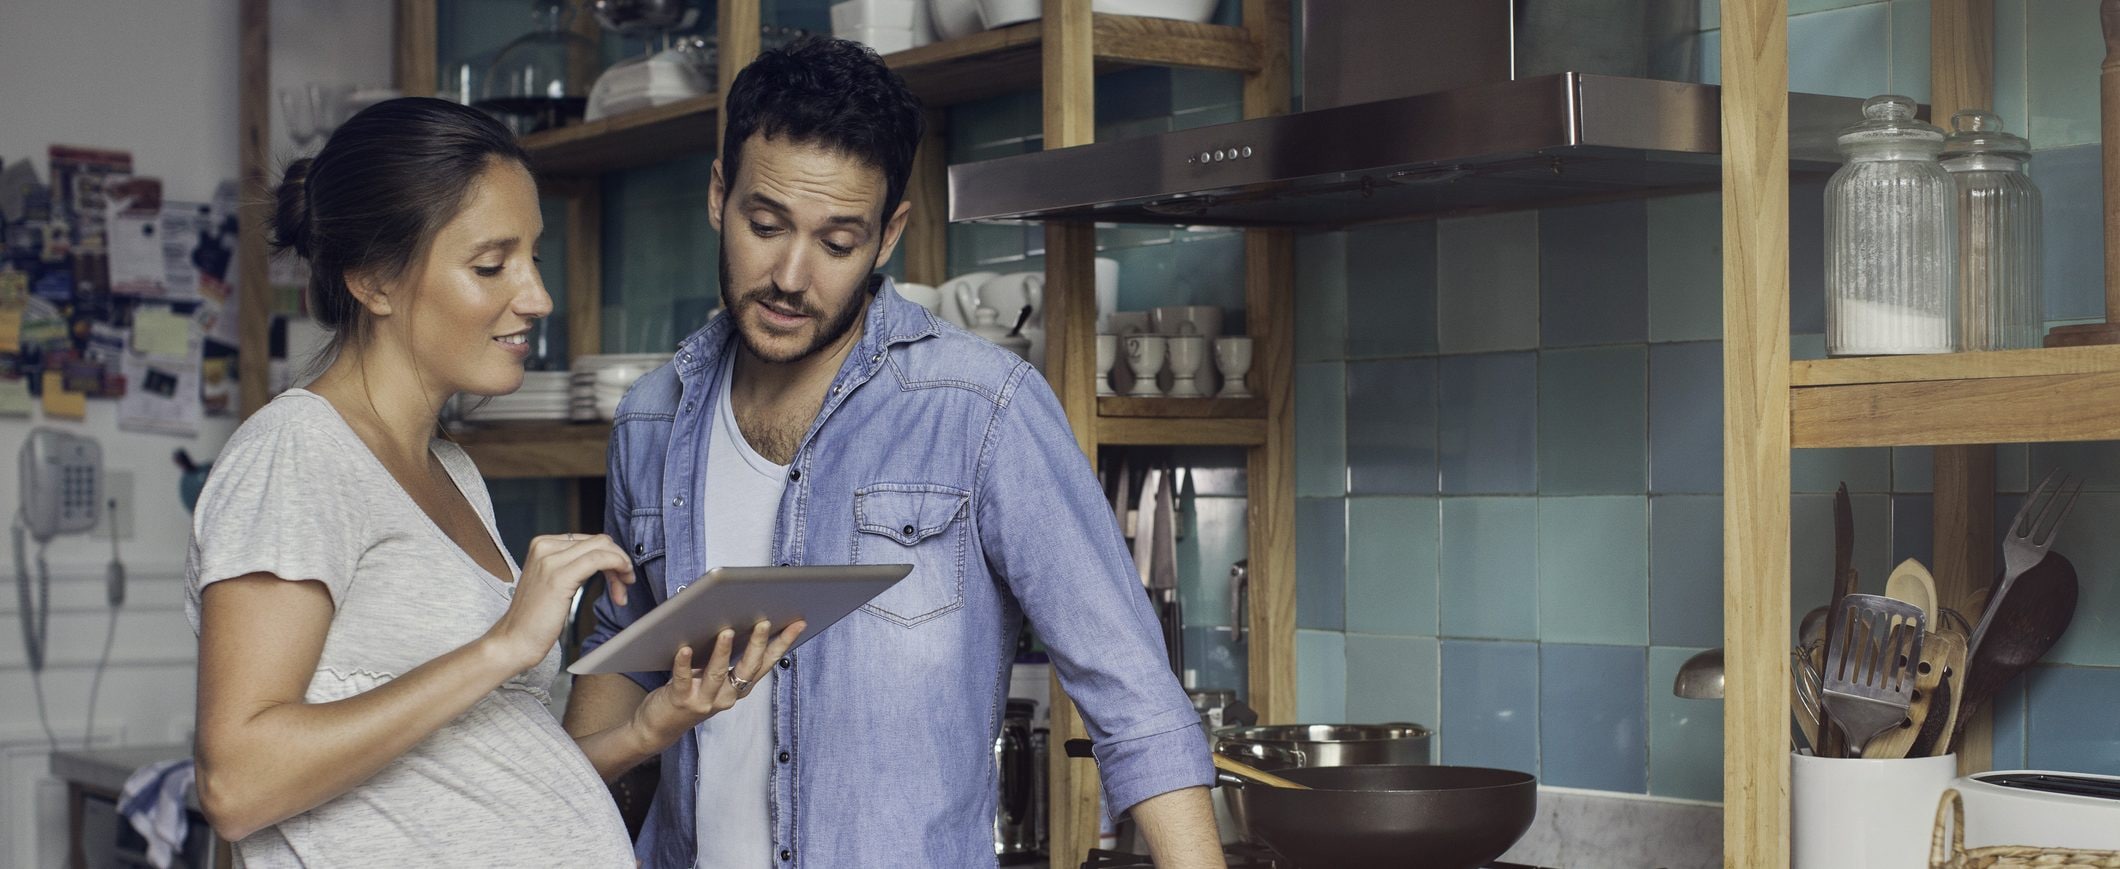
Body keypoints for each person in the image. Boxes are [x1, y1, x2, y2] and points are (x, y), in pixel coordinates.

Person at [563, 38, 1225, 868]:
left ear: (887, 237)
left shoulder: (982, 410)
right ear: (717, 195)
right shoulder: (651, 420)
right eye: (765, 226)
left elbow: (1135, 699)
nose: (791, 276)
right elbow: (622, 655)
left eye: (837, 242)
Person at [185, 97, 799, 866]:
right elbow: (237, 780)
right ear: (375, 279)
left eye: (533, 258)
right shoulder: (297, 452)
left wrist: (647, 728)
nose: (537, 296)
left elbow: (468, 778)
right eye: (490, 265)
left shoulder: (450, 470)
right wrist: (503, 644)